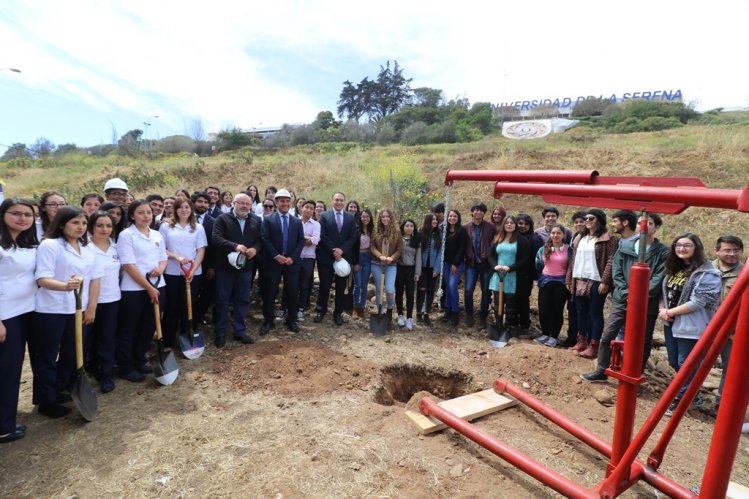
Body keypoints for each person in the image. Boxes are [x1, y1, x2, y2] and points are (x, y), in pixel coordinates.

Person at [581, 213, 668, 382]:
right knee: (608, 334)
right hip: (622, 299)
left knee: (643, 340)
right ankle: (601, 370)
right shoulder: (625, 246)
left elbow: (658, 278)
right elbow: (617, 271)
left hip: (646, 304)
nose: (644, 227)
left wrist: (639, 297)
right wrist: (628, 294)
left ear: (656, 228)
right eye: (641, 223)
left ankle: (634, 373)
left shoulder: (663, 252)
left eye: (649, 224)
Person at [32, 206, 102, 417]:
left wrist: (92, 307)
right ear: (62, 224)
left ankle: (58, 388)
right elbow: (42, 278)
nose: (80, 227)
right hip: (50, 309)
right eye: (75, 223)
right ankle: (46, 400)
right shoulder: (50, 245)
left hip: (78, 308)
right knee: (47, 355)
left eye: (83, 223)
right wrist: (66, 286)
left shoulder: (88, 248)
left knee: (72, 353)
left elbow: (95, 278)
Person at [659, 233, 720, 416]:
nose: (682, 248)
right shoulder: (674, 268)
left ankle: (681, 399)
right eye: (678, 245)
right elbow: (664, 293)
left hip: (691, 326)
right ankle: (693, 393)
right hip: (671, 323)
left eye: (687, 245)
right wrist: (663, 310)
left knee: (685, 363)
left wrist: (669, 312)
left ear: (697, 248)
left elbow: (698, 302)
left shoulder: (707, 273)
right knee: (674, 361)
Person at [116, 200, 167, 383]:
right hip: (134, 289)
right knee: (130, 328)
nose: (146, 216)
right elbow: (129, 265)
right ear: (131, 215)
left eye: (149, 212)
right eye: (141, 213)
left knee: (149, 327)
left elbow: (163, 258)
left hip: (158, 285)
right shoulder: (126, 235)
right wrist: (148, 288)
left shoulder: (156, 235)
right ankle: (126, 366)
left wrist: (160, 269)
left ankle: (139, 359)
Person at [0, 198, 38, 443]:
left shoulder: (27, 244)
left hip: (28, 311)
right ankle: (4, 427)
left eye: (28, 214)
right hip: (6, 316)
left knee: (13, 370)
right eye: (16, 213)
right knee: (6, 371)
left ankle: (7, 421)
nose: (23, 218)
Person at [212, 193, 262, 346]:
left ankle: (240, 332)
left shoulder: (256, 220)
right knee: (222, 300)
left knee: (242, 300)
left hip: (245, 269)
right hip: (225, 268)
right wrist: (234, 246)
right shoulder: (222, 219)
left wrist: (255, 249)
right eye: (241, 203)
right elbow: (216, 238)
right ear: (234, 203)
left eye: (248, 204)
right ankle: (220, 333)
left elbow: (260, 240)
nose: (245, 206)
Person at [566, 209, 617, 358]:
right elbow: (573, 260)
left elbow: (610, 260)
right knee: (580, 312)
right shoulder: (580, 238)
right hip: (579, 278)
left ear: (599, 220)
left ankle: (594, 345)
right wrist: (569, 278)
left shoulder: (608, 238)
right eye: (586, 218)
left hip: (596, 279)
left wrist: (605, 280)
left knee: (595, 313)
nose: (587, 220)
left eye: (591, 218)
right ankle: (582, 341)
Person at [159, 198, 207, 349]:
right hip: (171, 272)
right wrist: (176, 257)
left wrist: (192, 270)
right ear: (175, 209)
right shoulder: (166, 227)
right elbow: (161, 249)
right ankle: (168, 341)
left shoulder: (198, 228)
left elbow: (201, 251)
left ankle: (186, 338)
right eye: (180, 207)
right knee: (171, 306)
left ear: (191, 209)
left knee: (188, 306)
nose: (184, 210)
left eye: (187, 207)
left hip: (192, 274)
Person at [260, 189, 304, 335]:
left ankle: (291, 320)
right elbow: (265, 239)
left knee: (292, 292)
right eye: (282, 201)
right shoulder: (268, 219)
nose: (285, 203)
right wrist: (276, 256)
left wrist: (292, 257)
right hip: (273, 263)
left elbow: (300, 241)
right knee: (270, 291)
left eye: (287, 201)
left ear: (290, 203)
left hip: (291, 263)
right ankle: (268, 320)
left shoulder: (297, 222)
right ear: (276, 203)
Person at [87, 211, 121, 393]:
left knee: (107, 338)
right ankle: (90, 370)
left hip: (112, 299)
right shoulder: (84, 248)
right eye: (100, 225)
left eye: (108, 226)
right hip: (88, 301)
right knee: (87, 339)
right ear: (91, 226)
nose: (104, 229)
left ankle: (107, 375)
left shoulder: (116, 247)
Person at [315, 193, 358, 326]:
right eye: (336, 200)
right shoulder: (324, 216)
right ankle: (320, 311)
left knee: (341, 288)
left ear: (344, 202)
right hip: (326, 257)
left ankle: (337, 313)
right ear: (332, 201)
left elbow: (353, 237)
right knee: (324, 286)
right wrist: (334, 250)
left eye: (341, 200)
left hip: (344, 258)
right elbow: (322, 235)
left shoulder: (350, 217)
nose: (339, 202)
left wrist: (341, 250)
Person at [712, 235, 744, 410]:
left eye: (736, 251)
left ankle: (722, 405)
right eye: (727, 250)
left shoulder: (745, 274)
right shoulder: (705, 268)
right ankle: (689, 397)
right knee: (689, 362)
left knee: (730, 369)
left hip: (732, 331)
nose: (732, 254)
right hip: (703, 327)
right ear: (717, 251)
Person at [489, 216, 530, 337]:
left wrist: (511, 268)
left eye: (512, 223)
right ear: (503, 225)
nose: (509, 225)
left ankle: (509, 327)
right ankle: (498, 325)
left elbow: (525, 259)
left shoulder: (522, 241)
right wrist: (495, 266)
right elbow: (490, 256)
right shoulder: (498, 239)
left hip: (513, 277)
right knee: (497, 304)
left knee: (511, 305)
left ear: (516, 225)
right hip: (498, 276)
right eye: (507, 223)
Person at [534, 225, 572, 347]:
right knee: (544, 310)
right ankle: (545, 333)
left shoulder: (568, 249)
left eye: (558, 233)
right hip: (545, 282)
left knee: (557, 311)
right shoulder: (544, 248)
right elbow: (538, 264)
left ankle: (554, 336)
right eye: (553, 233)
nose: (555, 235)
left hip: (561, 284)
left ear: (563, 235)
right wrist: (542, 276)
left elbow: (571, 266)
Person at [463, 202, 496, 328]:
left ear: (484, 213)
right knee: (468, 290)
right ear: (472, 212)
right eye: (476, 210)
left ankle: (483, 316)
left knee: (486, 291)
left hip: (486, 264)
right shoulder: (465, 227)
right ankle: (469, 314)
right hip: (470, 263)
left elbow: (497, 241)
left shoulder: (491, 227)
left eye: (481, 210)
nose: (478, 212)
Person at [370, 208, 403, 329]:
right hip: (376, 264)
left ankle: (389, 310)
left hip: (391, 265)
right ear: (380, 218)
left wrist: (391, 258)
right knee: (379, 290)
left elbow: (400, 249)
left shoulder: (397, 232)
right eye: (383, 217)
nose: (385, 218)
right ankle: (380, 311)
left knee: (389, 290)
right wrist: (380, 256)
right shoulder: (375, 230)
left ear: (391, 218)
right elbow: (372, 246)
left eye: (387, 216)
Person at [559, 211, 587, 347]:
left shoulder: (591, 238)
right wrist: (568, 279)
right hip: (573, 278)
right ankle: (572, 337)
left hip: (586, 280)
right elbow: (571, 260)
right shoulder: (575, 237)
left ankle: (584, 338)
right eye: (576, 222)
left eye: (581, 221)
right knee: (572, 308)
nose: (579, 224)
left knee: (584, 311)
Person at [515, 213, 544, 333]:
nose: (523, 226)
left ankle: (524, 324)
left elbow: (536, 259)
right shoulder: (513, 236)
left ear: (530, 225)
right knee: (512, 298)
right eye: (520, 223)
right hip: (511, 272)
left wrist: (532, 275)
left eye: (526, 224)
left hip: (526, 275)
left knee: (523, 299)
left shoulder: (535, 238)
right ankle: (513, 322)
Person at [191, 192, 216, 325]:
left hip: (207, 264)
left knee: (206, 293)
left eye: (206, 202)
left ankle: (199, 315)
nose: (203, 204)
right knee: (191, 294)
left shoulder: (213, 222)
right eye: (200, 201)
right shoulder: (186, 220)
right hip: (188, 265)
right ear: (193, 203)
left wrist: (212, 266)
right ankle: (190, 318)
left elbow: (214, 246)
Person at [441, 209, 468, 326]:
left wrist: (455, 264)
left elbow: (462, 249)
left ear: (458, 218)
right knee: (447, 286)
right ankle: (448, 309)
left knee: (452, 286)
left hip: (456, 264)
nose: (452, 218)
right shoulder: (444, 230)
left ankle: (455, 311)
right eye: (450, 216)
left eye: (455, 216)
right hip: (445, 263)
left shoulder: (462, 231)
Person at [395, 219, 421, 331]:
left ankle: (410, 317)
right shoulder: (398, 239)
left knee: (410, 294)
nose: (409, 228)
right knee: (399, 292)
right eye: (407, 226)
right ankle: (400, 315)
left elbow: (418, 258)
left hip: (411, 269)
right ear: (403, 227)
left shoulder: (416, 240)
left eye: (411, 226)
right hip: (399, 268)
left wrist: (417, 273)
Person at [417, 213, 442, 326]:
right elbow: (417, 252)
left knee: (431, 290)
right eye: (433, 219)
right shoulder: (421, 233)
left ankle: (427, 314)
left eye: (436, 219)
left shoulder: (439, 234)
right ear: (427, 221)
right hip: (422, 267)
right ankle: (418, 314)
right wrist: (417, 268)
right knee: (421, 289)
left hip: (433, 267)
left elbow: (440, 253)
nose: (435, 221)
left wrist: (436, 269)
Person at [298, 200, 320, 321]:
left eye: (311, 208)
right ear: (301, 208)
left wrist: (300, 239)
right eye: (306, 207)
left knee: (304, 284)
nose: (308, 210)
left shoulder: (316, 224)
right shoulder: (295, 222)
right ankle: (287, 308)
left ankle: (301, 308)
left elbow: (315, 241)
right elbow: (293, 239)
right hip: (295, 257)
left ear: (313, 211)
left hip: (308, 258)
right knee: (292, 283)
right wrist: (306, 239)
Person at [352, 208, 373, 321]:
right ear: (360, 218)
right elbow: (353, 248)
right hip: (358, 258)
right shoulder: (356, 230)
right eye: (363, 216)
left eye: (367, 216)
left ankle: (362, 307)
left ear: (370, 218)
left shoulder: (373, 230)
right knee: (358, 285)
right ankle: (355, 307)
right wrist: (355, 262)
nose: (365, 218)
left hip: (368, 258)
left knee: (364, 285)